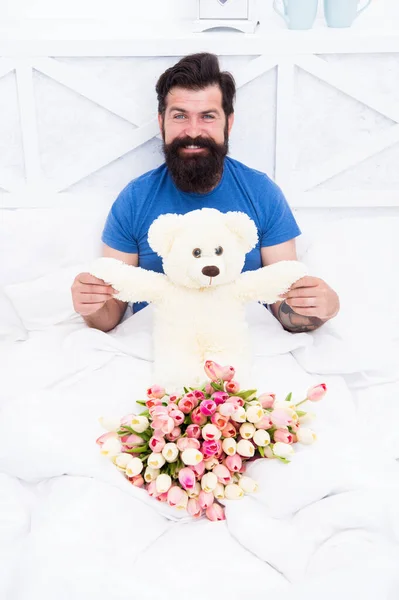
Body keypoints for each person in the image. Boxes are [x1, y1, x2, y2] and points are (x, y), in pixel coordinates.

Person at [71, 53, 339, 334]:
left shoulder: (262, 193)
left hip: (241, 341)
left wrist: (318, 309)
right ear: (162, 121)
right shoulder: (134, 200)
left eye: (208, 116)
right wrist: (91, 305)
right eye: (180, 116)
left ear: (229, 123)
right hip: (160, 343)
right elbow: (110, 315)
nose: (193, 131)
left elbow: (284, 307)